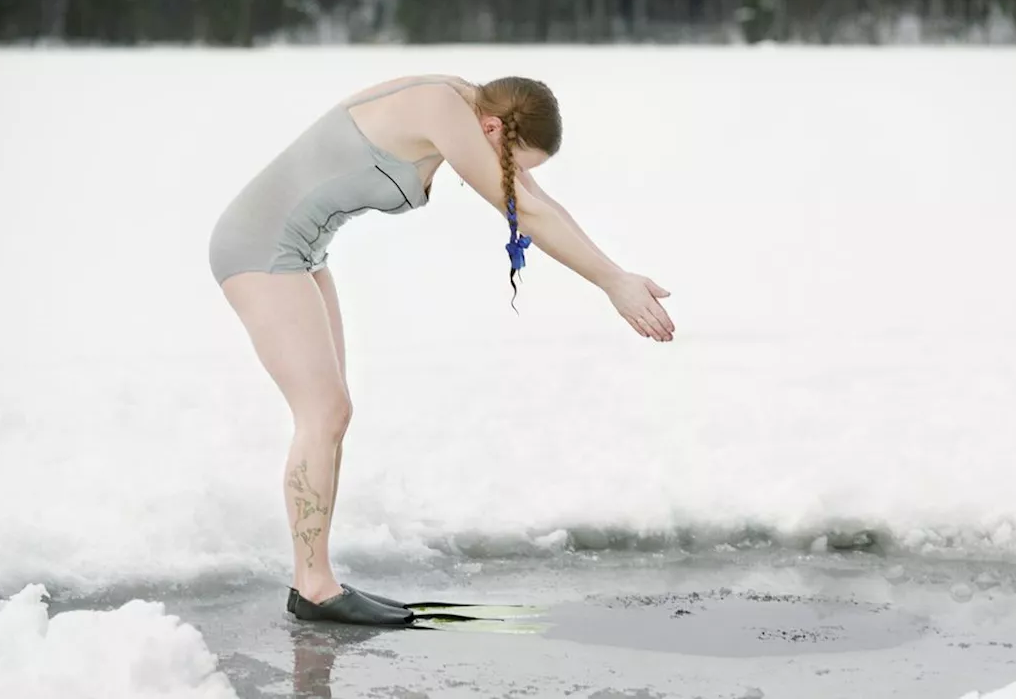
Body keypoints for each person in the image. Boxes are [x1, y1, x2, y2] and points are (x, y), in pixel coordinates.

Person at [207, 75, 676, 625]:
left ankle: (316, 580)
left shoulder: (466, 105)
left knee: (334, 413)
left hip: (302, 251)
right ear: (493, 127)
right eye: (512, 159)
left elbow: (540, 202)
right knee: (322, 413)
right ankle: (313, 587)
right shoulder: (441, 106)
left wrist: (616, 273)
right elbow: (527, 210)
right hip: (260, 246)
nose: (510, 171)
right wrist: (611, 284)